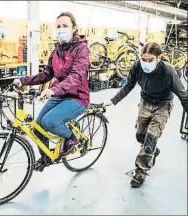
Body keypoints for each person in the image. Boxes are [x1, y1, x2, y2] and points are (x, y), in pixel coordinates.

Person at [103, 42, 188, 188]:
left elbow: (183, 95)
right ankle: (152, 150)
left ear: (159, 57)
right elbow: (129, 85)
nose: (146, 63)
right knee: (140, 135)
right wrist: (113, 100)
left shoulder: (168, 71)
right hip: (145, 102)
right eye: (143, 59)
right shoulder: (137, 66)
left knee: (151, 136)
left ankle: (141, 171)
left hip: (163, 104)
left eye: (150, 60)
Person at [14, 12, 90, 171]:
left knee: (50, 121)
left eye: (65, 26)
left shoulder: (81, 49)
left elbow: (76, 76)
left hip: (77, 97)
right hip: (60, 94)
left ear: (74, 28)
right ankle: (47, 157)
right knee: (37, 126)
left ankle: (72, 138)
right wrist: (23, 81)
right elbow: (46, 74)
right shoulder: (56, 51)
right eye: (58, 27)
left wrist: (54, 89)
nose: (61, 29)